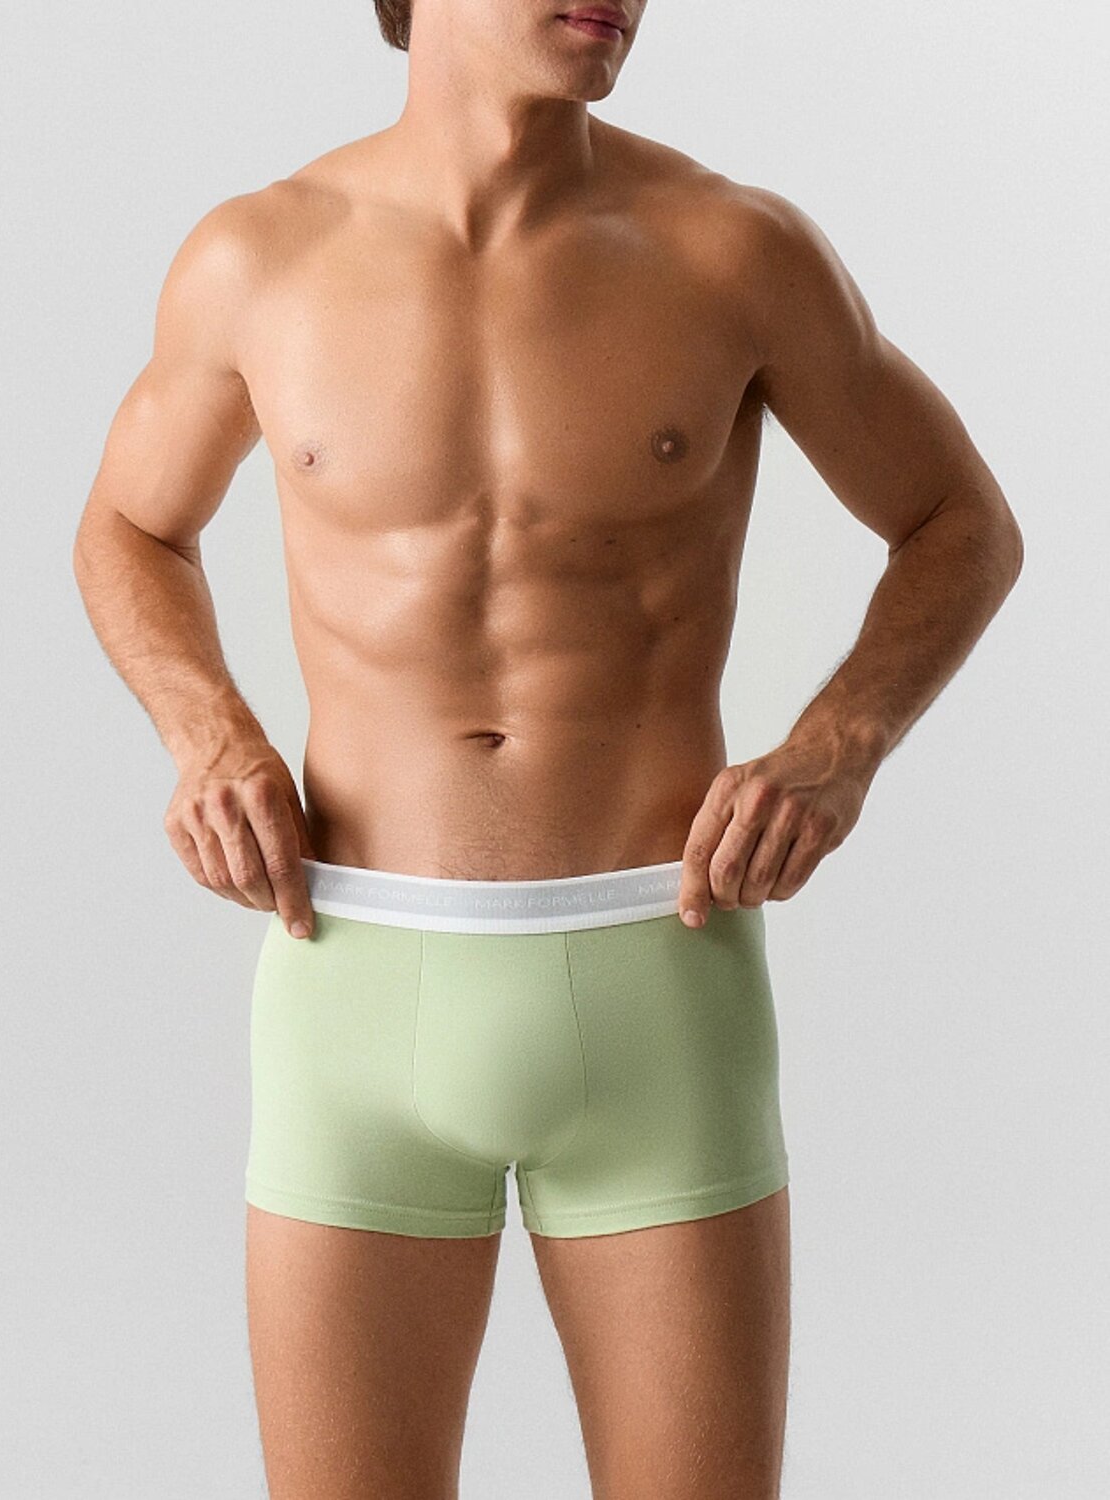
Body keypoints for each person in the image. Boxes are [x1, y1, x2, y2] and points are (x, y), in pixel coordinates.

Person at [71, 0, 1024, 1494]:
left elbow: (958, 521)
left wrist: (839, 745)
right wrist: (208, 731)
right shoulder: (258, 258)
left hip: (658, 973)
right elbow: (130, 524)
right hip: (351, 983)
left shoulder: (732, 251)